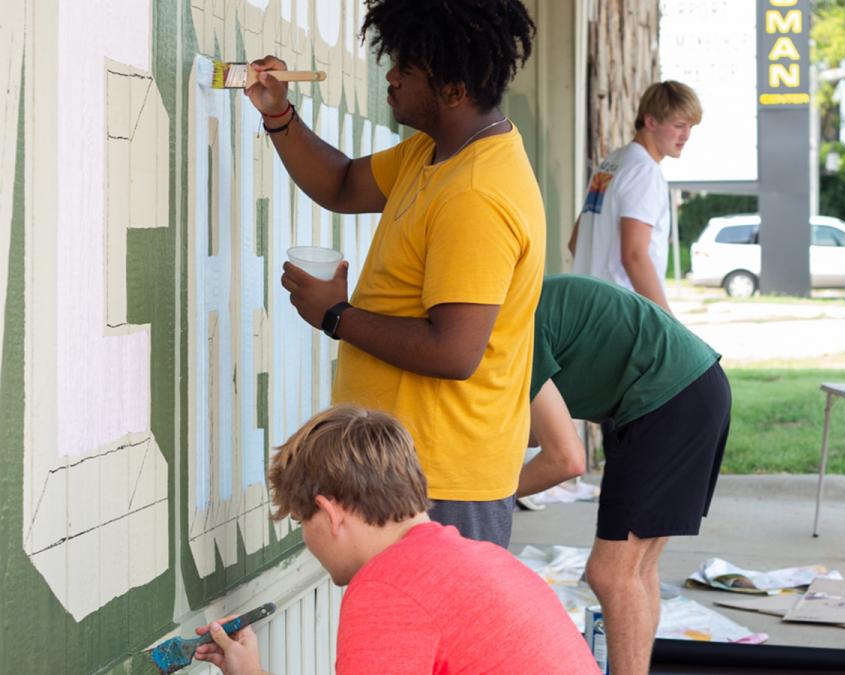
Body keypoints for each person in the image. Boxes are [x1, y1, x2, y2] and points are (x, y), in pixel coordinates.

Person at [245, 0, 544, 547]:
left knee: (436, 632)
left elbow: (453, 352)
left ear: (453, 89)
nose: (391, 75)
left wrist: (336, 315)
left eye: (407, 67)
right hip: (405, 470)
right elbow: (340, 184)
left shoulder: (476, 193)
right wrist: (279, 115)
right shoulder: (435, 152)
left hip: (443, 480)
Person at [192, 405, 599, 675]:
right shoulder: (474, 558)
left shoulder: (389, 587)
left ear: (330, 512)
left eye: (302, 520)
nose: (307, 540)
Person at [517, 274, 730, 675]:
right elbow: (529, 431)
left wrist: (496, 492)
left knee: (610, 573)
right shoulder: (517, 307)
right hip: (687, 389)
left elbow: (566, 460)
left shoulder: (511, 332)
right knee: (635, 569)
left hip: (668, 398)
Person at [569, 81, 702, 313]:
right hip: (620, 314)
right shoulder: (644, 171)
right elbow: (633, 255)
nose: (687, 135)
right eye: (679, 125)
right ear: (650, 122)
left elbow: (575, 243)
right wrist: (667, 323)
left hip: (587, 308)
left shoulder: (611, 163)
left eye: (691, 126)